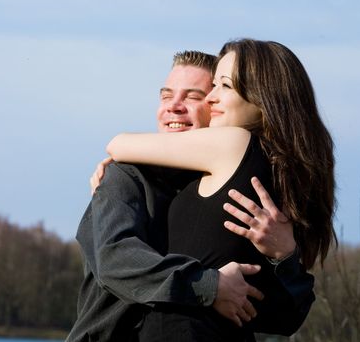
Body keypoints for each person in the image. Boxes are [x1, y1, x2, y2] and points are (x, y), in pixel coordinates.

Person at [66, 50, 313, 342]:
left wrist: (285, 257)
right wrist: (210, 286)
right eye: (166, 95)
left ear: (215, 106)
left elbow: (280, 319)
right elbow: (115, 261)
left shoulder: (232, 195)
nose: (174, 107)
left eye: (193, 97)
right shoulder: (126, 177)